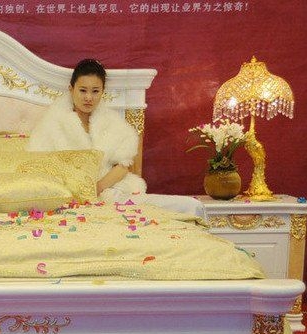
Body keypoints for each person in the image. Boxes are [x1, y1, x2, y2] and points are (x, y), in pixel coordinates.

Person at [27, 59, 204, 217]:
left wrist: (97, 188)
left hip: (113, 194)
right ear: (71, 89)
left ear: (102, 92)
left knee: (190, 206)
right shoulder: (52, 125)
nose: (88, 97)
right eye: (82, 90)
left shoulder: (113, 124)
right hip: (68, 200)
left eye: (95, 91)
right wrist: (77, 192)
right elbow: (43, 168)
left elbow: (123, 165)